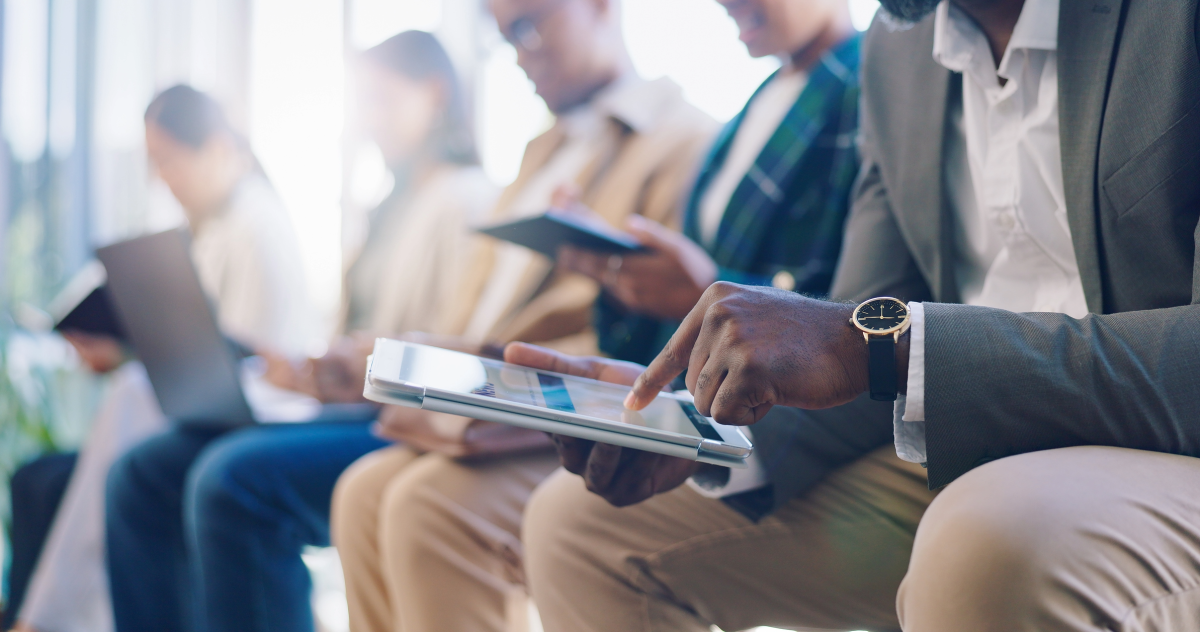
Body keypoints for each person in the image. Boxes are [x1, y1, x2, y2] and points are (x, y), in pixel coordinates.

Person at [518, 0, 1200, 630]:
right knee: (574, 527)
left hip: (1166, 449)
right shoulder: (899, 46)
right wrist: (697, 426)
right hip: (968, 454)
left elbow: (875, 345)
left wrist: (893, 349)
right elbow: (846, 339)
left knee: (984, 541)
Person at [329, 1, 716, 630]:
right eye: (506, 36)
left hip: (570, 409)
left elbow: (653, 329)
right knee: (362, 492)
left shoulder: (682, 139)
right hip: (489, 395)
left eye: (532, 24)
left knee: (428, 506)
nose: (520, 50)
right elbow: (478, 308)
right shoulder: (538, 154)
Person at [103, 32, 497, 632]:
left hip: (414, 426)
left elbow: (465, 368)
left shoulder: (467, 202)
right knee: (143, 472)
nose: (368, 122)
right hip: (359, 410)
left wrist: (365, 368)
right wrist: (319, 373)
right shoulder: (389, 209)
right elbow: (362, 346)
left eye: (382, 102)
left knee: (231, 480)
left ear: (436, 96)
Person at [6, 85, 313, 632]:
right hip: (203, 409)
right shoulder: (211, 231)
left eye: (169, 159)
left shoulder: (256, 226)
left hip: (262, 413)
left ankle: (48, 619)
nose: (163, 178)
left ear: (216, 148)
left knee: (135, 459)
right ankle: (44, 616)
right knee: (38, 479)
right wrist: (124, 350)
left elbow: (256, 359)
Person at [559, 0, 861, 367]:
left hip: (784, 410)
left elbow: (862, 321)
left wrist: (710, 291)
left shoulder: (868, 89)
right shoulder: (762, 101)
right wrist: (635, 282)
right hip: (707, 397)